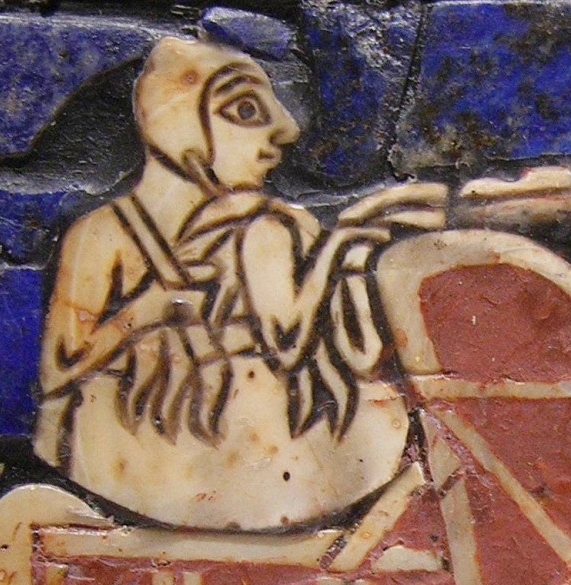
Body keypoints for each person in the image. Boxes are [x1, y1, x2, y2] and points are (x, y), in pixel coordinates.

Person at [34, 37, 410, 531]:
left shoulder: (280, 226)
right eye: (246, 110)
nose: (285, 131)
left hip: (268, 453)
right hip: (142, 452)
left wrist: (346, 255)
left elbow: (320, 348)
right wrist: (147, 311)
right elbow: (59, 368)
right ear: (181, 124)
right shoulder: (106, 233)